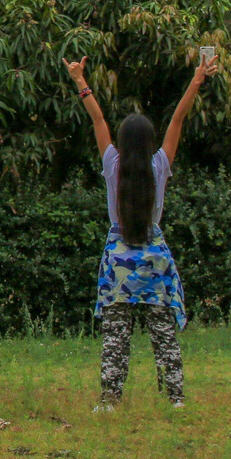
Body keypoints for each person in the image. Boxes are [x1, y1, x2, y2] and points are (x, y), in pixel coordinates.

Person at [68, 52, 214, 410]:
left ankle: (110, 398)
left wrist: (79, 81)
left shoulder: (112, 163)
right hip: (154, 256)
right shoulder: (160, 164)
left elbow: (98, 118)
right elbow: (178, 118)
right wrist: (197, 79)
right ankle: (175, 397)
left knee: (115, 335)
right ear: (150, 141)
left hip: (118, 258)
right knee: (163, 331)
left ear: (122, 140)